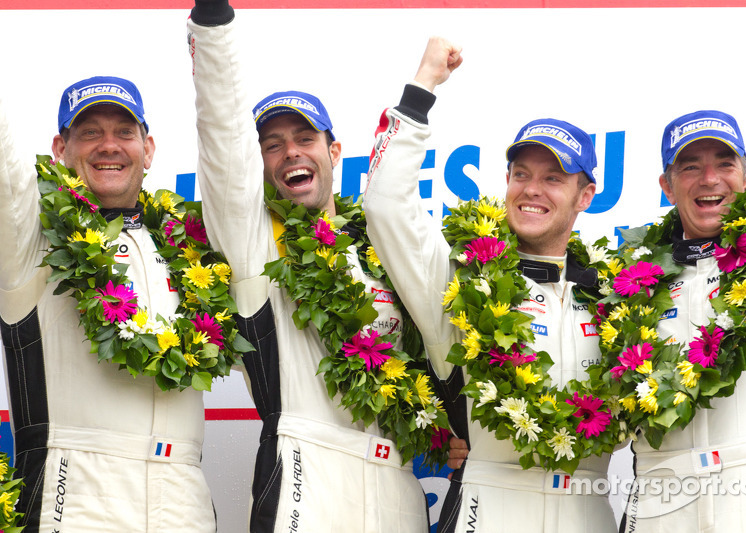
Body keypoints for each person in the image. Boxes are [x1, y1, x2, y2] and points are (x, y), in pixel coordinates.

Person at [187, 2, 429, 531]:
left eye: (304, 139)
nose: (289, 153)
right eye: (271, 146)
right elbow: (223, 137)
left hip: (399, 489)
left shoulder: (382, 250)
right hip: (304, 477)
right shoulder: (254, 245)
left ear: (334, 149)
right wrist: (212, 24)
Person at [362, 37, 618, 532]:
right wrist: (423, 87)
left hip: (590, 509)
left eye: (554, 177)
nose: (532, 190)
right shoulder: (459, 284)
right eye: (521, 173)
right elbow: (385, 205)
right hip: (488, 507)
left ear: (585, 195)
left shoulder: (617, 299)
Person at [0, 77, 216, 531]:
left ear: (148, 148)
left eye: (123, 131)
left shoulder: (187, 252)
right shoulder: (30, 241)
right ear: (60, 147)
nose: (108, 146)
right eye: (90, 132)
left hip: (184, 503)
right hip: (75, 501)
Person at [617, 110, 746, 531]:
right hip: (659, 500)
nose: (710, 178)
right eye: (690, 167)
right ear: (666, 185)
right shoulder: (631, 275)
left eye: (724, 163)